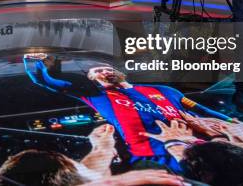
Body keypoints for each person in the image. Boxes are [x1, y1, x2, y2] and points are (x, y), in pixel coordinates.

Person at [23, 54, 232, 172]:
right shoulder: (96, 96)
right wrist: (37, 63)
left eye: (106, 68)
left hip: (200, 147)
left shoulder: (164, 91)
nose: (103, 72)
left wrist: (233, 123)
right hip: (153, 158)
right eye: (96, 72)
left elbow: (203, 110)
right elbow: (44, 81)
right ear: (91, 80)